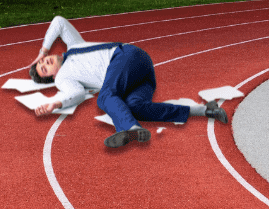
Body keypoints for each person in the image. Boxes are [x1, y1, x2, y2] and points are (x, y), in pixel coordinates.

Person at [30, 15, 229, 148]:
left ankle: (131, 130)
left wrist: (42, 51)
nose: (45, 62)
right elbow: (75, 93)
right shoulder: (64, 77)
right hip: (141, 73)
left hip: (126, 56)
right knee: (135, 107)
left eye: (43, 62)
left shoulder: (74, 44)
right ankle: (204, 110)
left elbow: (58, 21)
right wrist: (55, 103)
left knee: (105, 98)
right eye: (44, 69)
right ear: (53, 77)